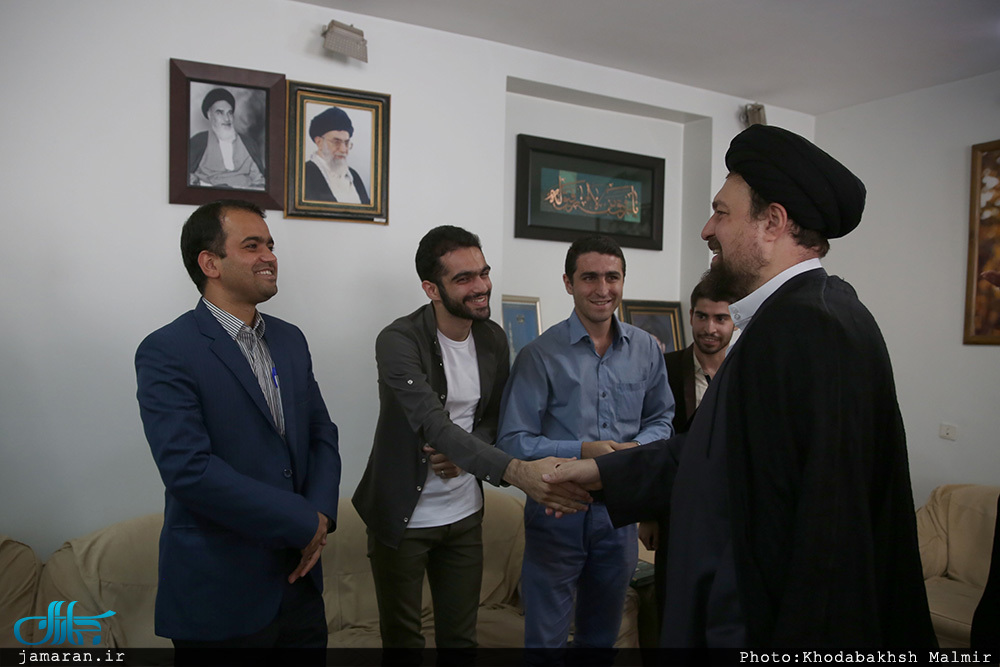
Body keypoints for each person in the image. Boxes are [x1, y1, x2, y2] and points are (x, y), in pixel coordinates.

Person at [544, 125, 937, 648]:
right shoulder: (787, 321)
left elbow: (830, 537)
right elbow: (719, 454)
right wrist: (601, 472)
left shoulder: (814, 328)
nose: (707, 229)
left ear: (772, 222)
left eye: (721, 212)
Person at [353, 226, 590, 655]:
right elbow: (432, 423)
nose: (481, 287)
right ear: (431, 288)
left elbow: (494, 416)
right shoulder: (398, 341)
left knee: (461, 641)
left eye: (483, 273)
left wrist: (465, 454)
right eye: (463, 279)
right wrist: (516, 472)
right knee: (403, 644)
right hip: (403, 516)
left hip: (463, 514)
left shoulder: (492, 337)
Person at [135, 199, 341, 651]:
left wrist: (321, 515)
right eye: (252, 246)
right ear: (210, 263)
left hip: (300, 587)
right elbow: (189, 469)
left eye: (270, 245)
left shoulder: (290, 339)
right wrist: (300, 521)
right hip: (220, 592)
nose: (269, 256)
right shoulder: (167, 350)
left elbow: (321, 433)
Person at [496, 235, 674, 654]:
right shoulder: (539, 355)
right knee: (545, 645)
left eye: (612, 277)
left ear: (623, 281)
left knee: (600, 642)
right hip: (557, 512)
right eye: (589, 277)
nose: (602, 288)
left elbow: (662, 420)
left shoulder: (647, 349)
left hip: (619, 514)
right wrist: (584, 452)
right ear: (568, 283)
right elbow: (513, 441)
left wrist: (635, 451)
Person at [638, 278, 735, 616]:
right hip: (675, 508)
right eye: (702, 316)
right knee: (673, 605)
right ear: (691, 315)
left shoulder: (746, 372)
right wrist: (648, 514)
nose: (710, 328)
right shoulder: (663, 368)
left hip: (730, 512)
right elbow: (650, 443)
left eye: (721, 318)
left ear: (734, 321)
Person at [188, 88, 266, 190]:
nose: (227, 119)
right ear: (209, 115)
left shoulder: (248, 144)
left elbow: (259, 180)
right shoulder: (198, 142)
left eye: (230, 113)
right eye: (220, 113)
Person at [304, 106, 370, 204]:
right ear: (319, 142)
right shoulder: (304, 174)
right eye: (336, 142)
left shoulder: (354, 176)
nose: (343, 149)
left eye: (346, 143)